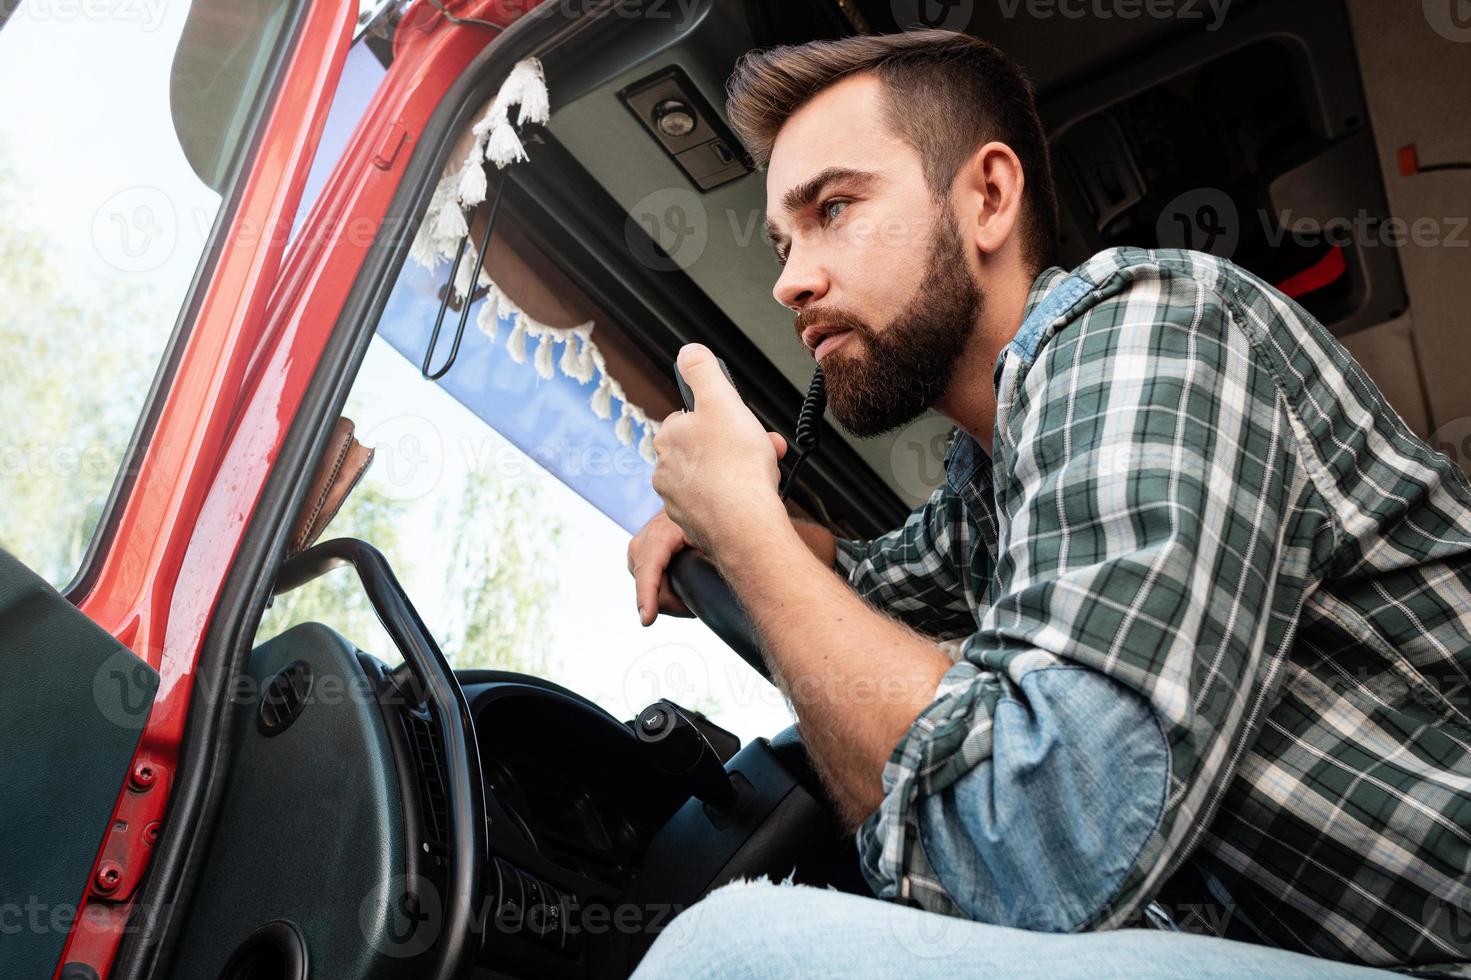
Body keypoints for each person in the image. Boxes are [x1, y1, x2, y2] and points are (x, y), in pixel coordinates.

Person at [625, 28, 1471, 979]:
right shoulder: (987, 481)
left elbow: (1042, 849)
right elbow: (867, 583)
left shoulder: (1150, 327)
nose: (789, 278)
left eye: (834, 208)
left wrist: (745, 536)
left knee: (734, 953)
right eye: (783, 241)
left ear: (987, 196)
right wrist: (728, 520)